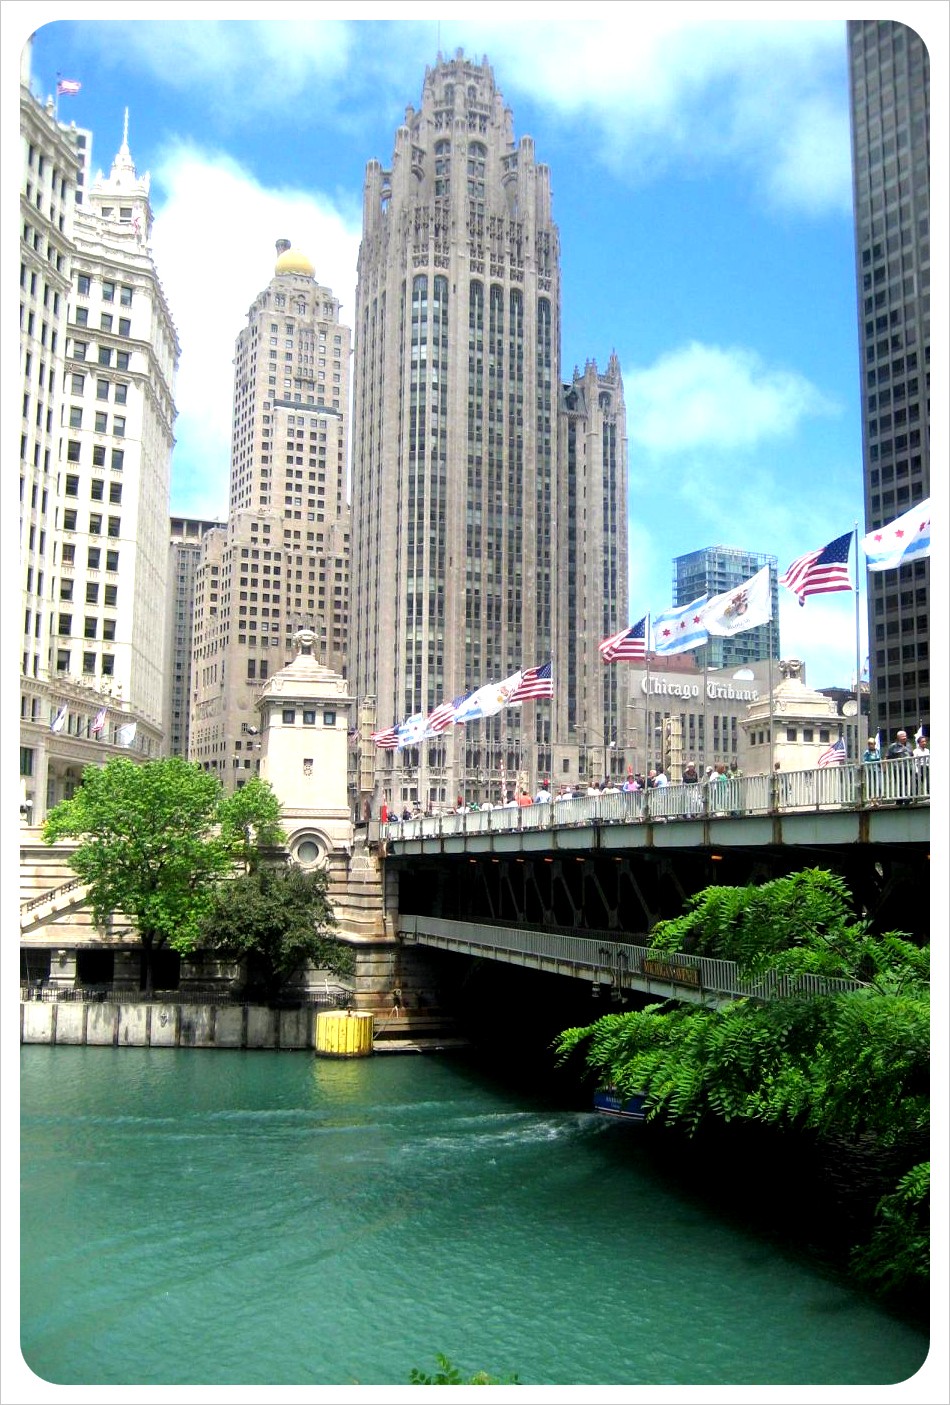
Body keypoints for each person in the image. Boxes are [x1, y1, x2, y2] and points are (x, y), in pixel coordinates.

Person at [885, 729, 913, 806]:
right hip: (898, 769)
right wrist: (884, 768)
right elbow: (887, 757)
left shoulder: (909, 745)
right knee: (900, 783)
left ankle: (908, 798)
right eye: (902, 736)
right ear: (898, 737)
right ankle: (900, 799)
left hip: (908, 768)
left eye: (905, 736)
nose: (904, 737)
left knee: (908, 782)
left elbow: (912, 755)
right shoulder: (893, 746)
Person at [862, 737, 882, 805]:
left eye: (872, 743)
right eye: (869, 744)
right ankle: (872, 801)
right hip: (870, 771)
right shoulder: (867, 752)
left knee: (879, 785)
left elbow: (880, 759)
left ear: (874, 744)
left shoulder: (878, 751)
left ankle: (878, 800)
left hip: (877, 770)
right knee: (870, 786)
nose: (870, 745)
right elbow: (865, 761)